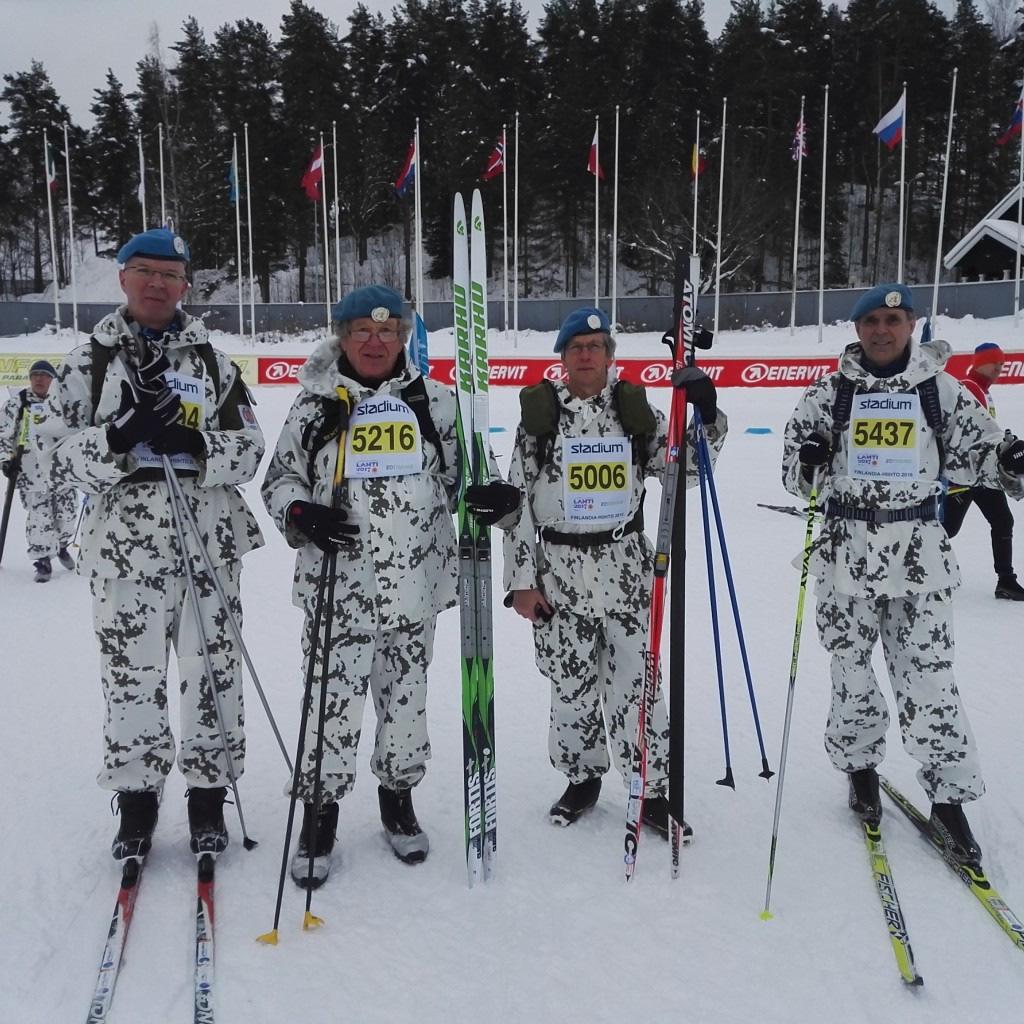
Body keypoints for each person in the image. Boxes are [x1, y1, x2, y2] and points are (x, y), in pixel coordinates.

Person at [37, 227, 265, 862]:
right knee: (131, 681)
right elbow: (50, 456)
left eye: (171, 274)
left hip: (206, 547)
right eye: (146, 271)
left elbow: (249, 449)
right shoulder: (90, 362)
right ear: (123, 278)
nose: (158, 284)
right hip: (123, 554)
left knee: (213, 677)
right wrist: (115, 439)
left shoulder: (215, 363)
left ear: (185, 285)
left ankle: (207, 798)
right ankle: (136, 801)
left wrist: (199, 445)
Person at [782, 284, 1024, 865]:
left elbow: (984, 452)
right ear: (858, 326)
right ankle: (860, 766)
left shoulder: (939, 391)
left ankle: (949, 797)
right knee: (851, 671)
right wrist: (810, 458)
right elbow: (794, 474)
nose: (882, 330)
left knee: (930, 679)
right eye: (871, 320)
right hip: (846, 558)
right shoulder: (830, 393)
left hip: (919, 558)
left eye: (893, 319)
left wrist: (1013, 460)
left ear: (910, 322)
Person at [262, 284, 462, 886]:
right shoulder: (313, 405)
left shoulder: (437, 402)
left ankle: (397, 800)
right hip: (338, 589)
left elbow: (460, 480)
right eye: (361, 331)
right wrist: (301, 514)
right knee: (328, 706)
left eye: (388, 331)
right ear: (342, 336)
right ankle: (320, 815)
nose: (375, 342)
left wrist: (486, 499)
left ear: (404, 336)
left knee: (406, 705)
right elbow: (279, 480)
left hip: (413, 586)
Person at [498, 307, 726, 835]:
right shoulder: (540, 418)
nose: (586, 354)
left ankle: (650, 788)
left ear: (609, 355)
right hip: (558, 573)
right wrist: (522, 583)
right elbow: (517, 506)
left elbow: (682, 470)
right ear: (562, 357)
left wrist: (706, 415)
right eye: (576, 345)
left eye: (596, 345)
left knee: (637, 684)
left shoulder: (634, 411)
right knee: (570, 684)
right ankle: (582, 777)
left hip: (625, 569)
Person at [943, 342, 1024, 601]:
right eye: (995, 363)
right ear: (979, 363)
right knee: (946, 528)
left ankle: (1006, 580)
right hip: (965, 476)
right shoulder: (968, 387)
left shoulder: (984, 392)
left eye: (1002, 363)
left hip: (981, 476)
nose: (1000, 367)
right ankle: (913, 570)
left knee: (1002, 521)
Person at [0, 360, 79, 581]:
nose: (39, 379)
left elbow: (78, 431)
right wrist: (6, 460)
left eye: (44, 375)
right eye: (35, 375)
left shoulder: (63, 402)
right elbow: (2, 435)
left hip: (62, 472)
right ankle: (43, 559)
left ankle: (62, 545)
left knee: (67, 514)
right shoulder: (18, 403)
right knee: (40, 518)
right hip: (31, 473)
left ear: (53, 379)